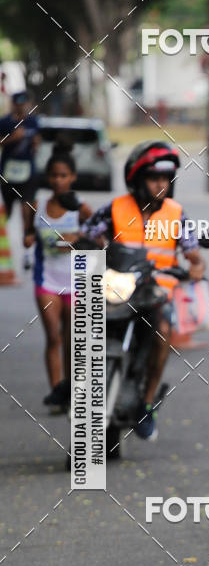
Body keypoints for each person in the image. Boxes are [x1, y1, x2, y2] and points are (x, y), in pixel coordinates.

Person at [84, 141, 209, 441]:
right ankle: (68, 385)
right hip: (115, 290)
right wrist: (80, 244)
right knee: (75, 323)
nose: (161, 185)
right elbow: (88, 236)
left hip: (155, 295)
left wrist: (196, 267)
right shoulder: (114, 209)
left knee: (162, 332)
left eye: (166, 179)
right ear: (137, 180)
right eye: (154, 178)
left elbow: (194, 255)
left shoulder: (177, 215)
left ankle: (146, 403)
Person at [23, 143, 92, 412]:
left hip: (76, 281)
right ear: (48, 177)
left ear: (72, 177)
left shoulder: (80, 208)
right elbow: (27, 237)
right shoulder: (37, 205)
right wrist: (28, 238)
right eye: (53, 175)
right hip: (46, 282)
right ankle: (56, 394)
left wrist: (79, 237)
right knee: (53, 336)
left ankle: (72, 391)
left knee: (72, 337)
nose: (58, 180)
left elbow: (100, 235)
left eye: (63, 175)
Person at [0, 91, 40, 234]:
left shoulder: (33, 121)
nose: (22, 106)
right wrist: (12, 138)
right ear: (14, 104)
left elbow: (37, 141)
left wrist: (36, 144)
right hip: (8, 172)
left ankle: (27, 239)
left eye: (24, 103)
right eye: (19, 103)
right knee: (7, 211)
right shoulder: (4, 122)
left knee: (27, 208)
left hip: (28, 172)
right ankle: (6, 242)